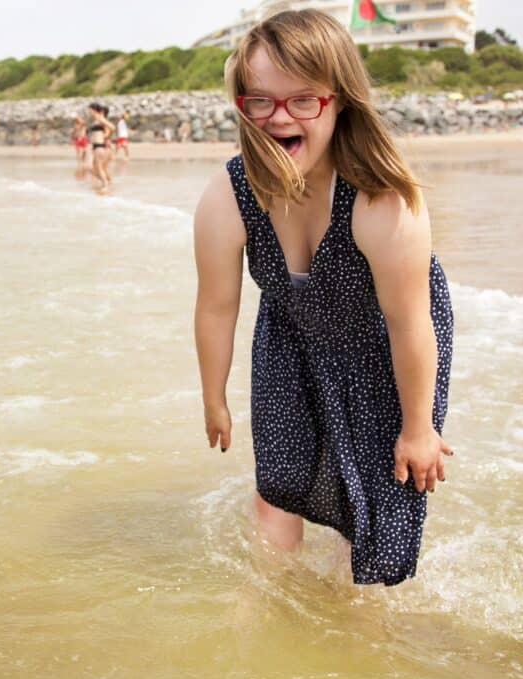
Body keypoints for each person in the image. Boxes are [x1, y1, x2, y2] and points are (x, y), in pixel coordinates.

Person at [192, 9, 454, 586]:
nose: (279, 118)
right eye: (260, 101)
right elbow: (216, 305)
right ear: (242, 105)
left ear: (338, 102)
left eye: (302, 100)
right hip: (291, 324)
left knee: (376, 505)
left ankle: (357, 626)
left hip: (385, 337)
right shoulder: (230, 194)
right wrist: (214, 398)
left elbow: (411, 323)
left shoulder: (382, 202)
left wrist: (418, 429)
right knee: (280, 482)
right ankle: (266, 614)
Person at [86, 103, 114, 193]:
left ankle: (106, 184)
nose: (88, 112)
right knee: (95, 168)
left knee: (99, 168)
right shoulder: (95, 120)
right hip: (95, 146)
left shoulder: (100, 118)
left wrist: (105, 136)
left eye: (89, 110)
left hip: (100, 146)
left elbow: (112, 127)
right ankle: (106, 182)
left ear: (93, 110)